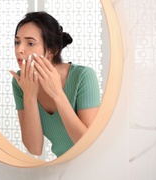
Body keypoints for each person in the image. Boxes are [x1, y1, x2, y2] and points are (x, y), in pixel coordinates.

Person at [9, 11, 100, 157]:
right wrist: (30, 96)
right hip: (61, 169)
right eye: (17, 42)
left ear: (52, 50)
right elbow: (34, 148)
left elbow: (88, 145)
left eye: (30, 43)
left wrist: (57, 94)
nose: (19, 49)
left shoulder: (83, 76)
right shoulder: (20, 82)